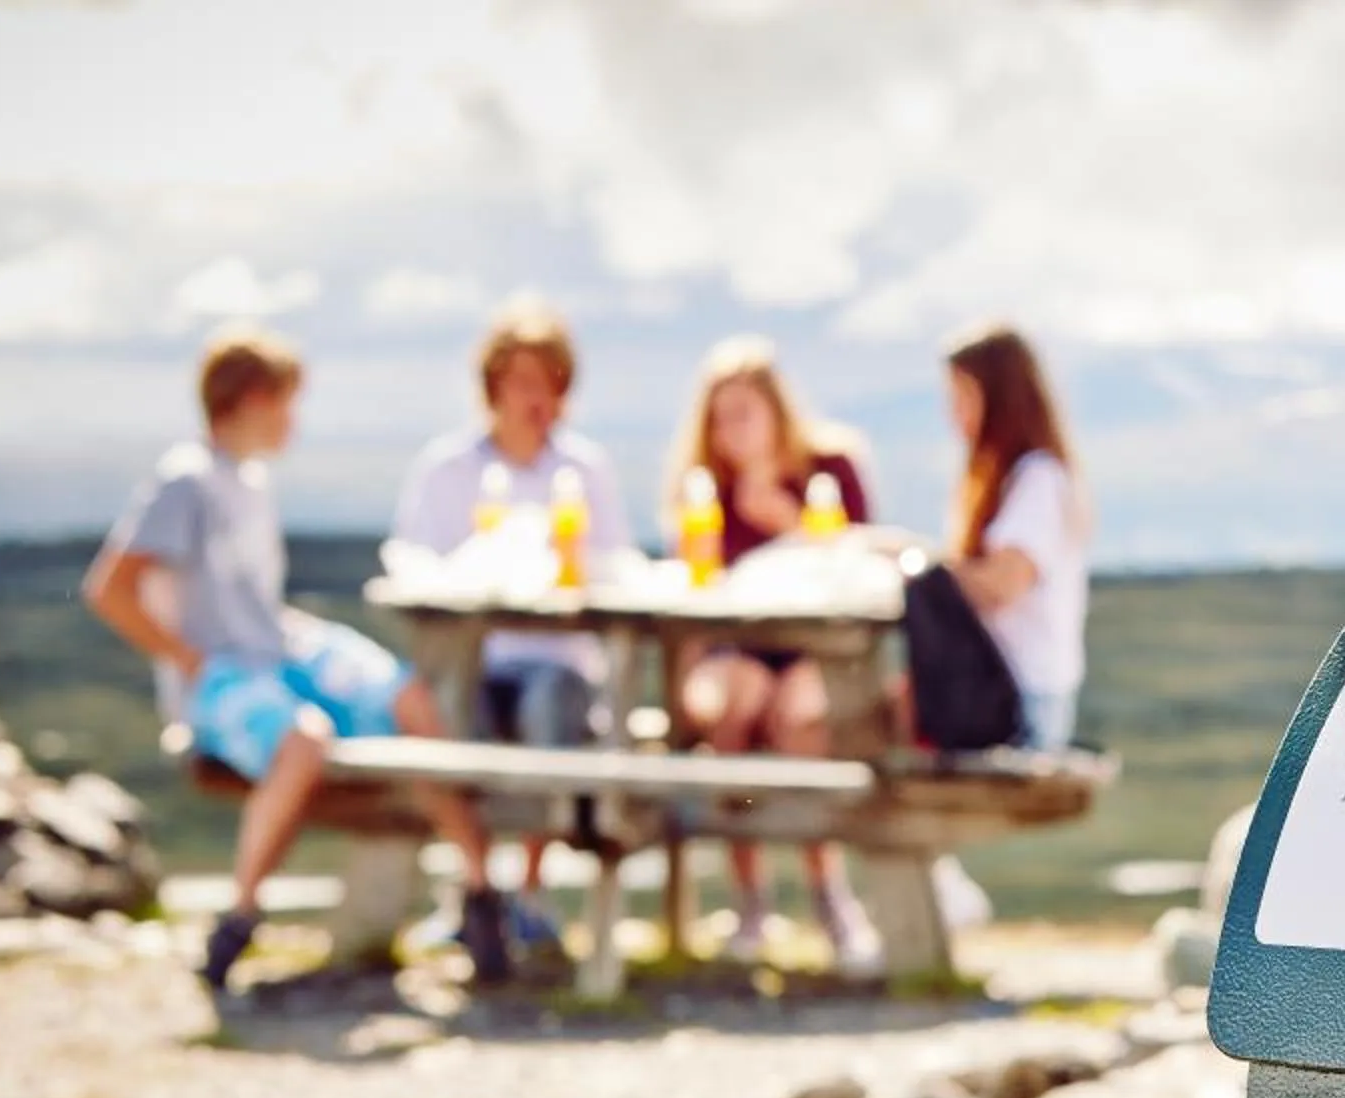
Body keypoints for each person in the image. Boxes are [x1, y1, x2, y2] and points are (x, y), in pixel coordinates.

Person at [84, 323, 511, 993]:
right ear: (252, 398)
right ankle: (240, 915)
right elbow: (110, 589)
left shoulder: (249, 481)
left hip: (281, 650)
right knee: (303, 740)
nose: (295, 420)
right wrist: (187, 660)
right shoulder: (185, 482)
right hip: (225, 675)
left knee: (410, 699)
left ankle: (482, 894)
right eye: (287, 401)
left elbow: (250, 597)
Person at [391, 297, 633, 949]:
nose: (541, 399)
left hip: (558, 658)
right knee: (436, 711)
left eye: (554, 384)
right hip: (474, 656)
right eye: (527, 382)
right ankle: (477, 886)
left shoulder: (585, 471)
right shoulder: (446, 470)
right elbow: (412, 565)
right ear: (493, 386)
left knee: (551, 705)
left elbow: (617, 567)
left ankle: (526, 890)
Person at [662, 336, 879, 968]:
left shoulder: (831, 469)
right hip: (736, 653)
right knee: (740, 700)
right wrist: (682, 689)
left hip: (817, 648)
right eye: (719, 418)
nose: (731, 432)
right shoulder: (706, 491)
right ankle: (750, 898)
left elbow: (859, 570)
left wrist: (787, 518)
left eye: (743, 413)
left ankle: (825, 891)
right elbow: (693, 601)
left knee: (799, 717)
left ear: (777, 410)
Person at [941, 323, 1089, 750]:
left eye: (963, 397)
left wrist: (924, 567)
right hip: (1010, 697)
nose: (954, 414)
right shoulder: (1019, 480)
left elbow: (1004, 583)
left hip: (1020, 705)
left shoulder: (1037, 480)